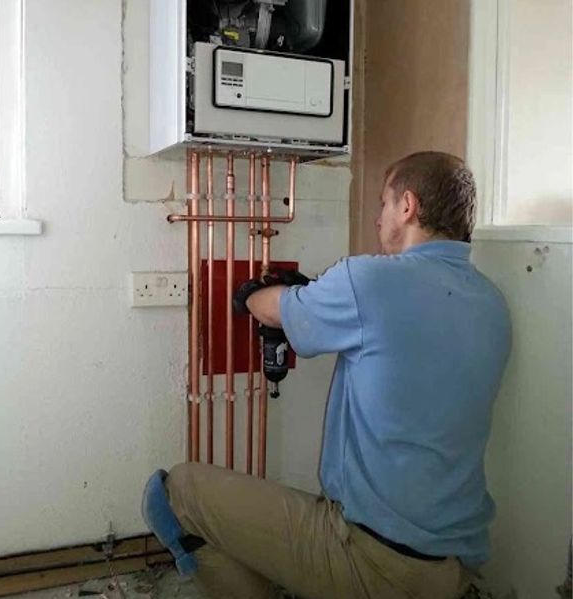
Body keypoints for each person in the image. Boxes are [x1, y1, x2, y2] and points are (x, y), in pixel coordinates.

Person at [157, 151, 512, 599]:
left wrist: (251, 293)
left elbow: (273, 309)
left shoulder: (370, 281)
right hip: (452, 568)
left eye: (383, 205)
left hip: (375, 561)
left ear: (408, 206)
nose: (377, 219)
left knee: (173, 492)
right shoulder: (491, 303)